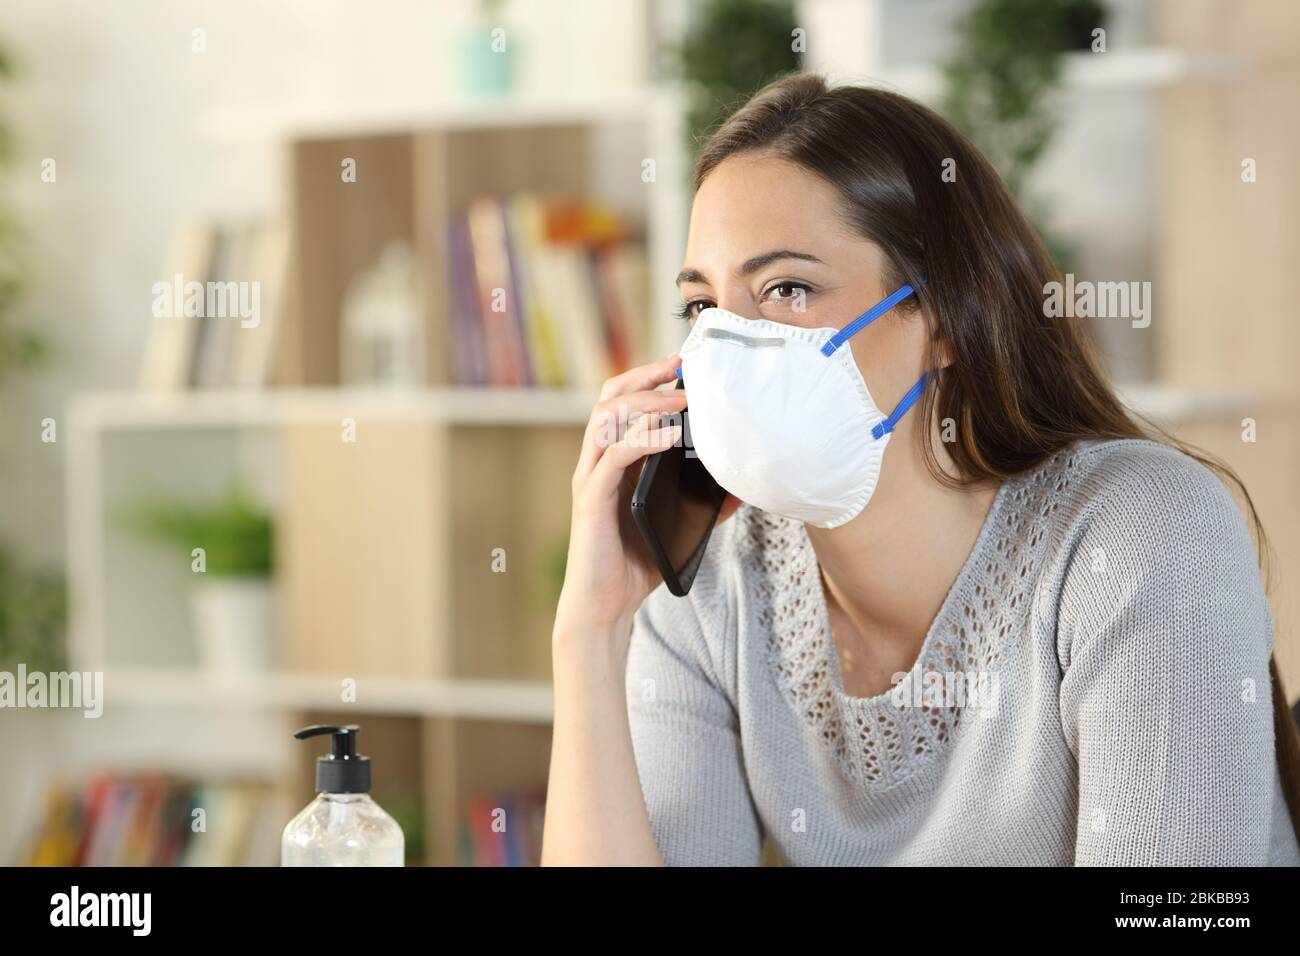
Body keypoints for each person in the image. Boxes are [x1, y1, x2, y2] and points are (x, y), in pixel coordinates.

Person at [541, 73, 1300, 866]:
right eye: (703, 307)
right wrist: (590, 634)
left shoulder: (1137, 536)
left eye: (788, 289)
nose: (727, 349)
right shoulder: (711, 586)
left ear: (943, 321)